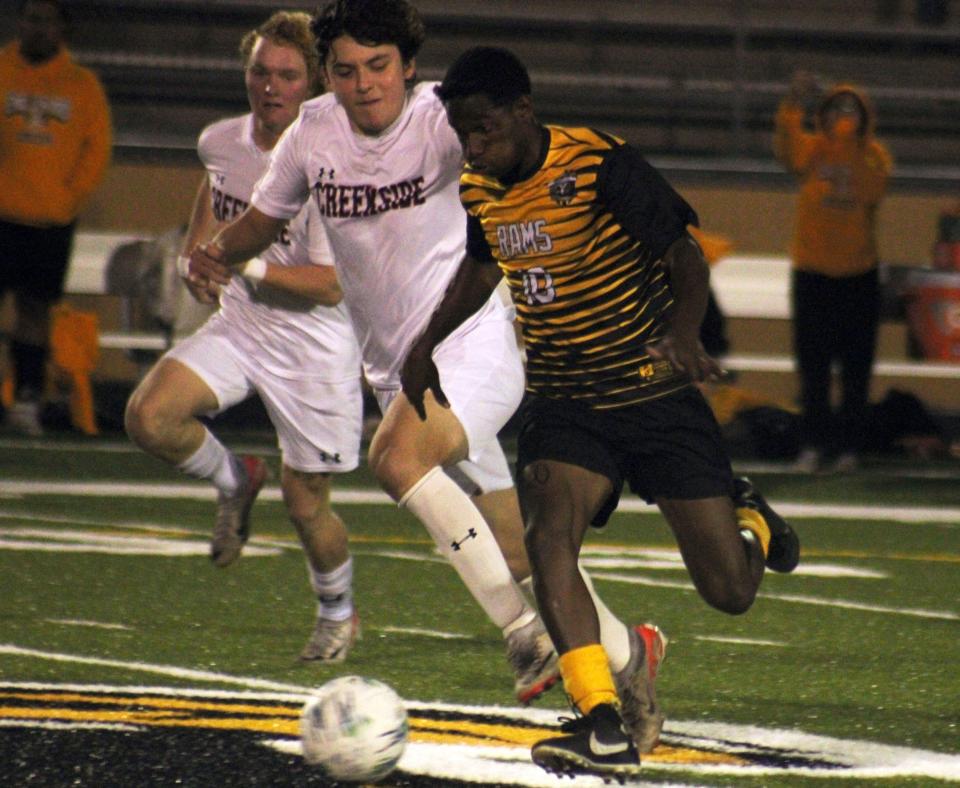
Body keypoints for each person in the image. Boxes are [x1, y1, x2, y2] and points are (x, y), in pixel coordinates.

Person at [186, 0, 657, 709]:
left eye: (378, 67)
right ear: (328, 76)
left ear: (408, 68)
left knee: (395, 458)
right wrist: (217, 254)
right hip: (396, 372)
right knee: (520, 546)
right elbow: (262, 217)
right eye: (344, 71)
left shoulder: (444, 118)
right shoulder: (314, 133)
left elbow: (538, 167)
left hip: (471, 343)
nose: (363, 84)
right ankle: (629, 652)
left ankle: (524, 635)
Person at [400, 47, 801, 780]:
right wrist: (427, 342)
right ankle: (600, 720)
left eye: (485, 128)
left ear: (525, 111)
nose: (475, 145)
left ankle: (749, 519)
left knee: (731, 592)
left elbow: (684, 255)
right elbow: (485, 265)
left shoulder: (598, 164)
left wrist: (684, 331)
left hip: (653, 392)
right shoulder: (478, 185)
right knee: (548, 537)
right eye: (464, 133)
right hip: (566, 398)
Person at [125, 11, 366, 662]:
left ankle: (338, 611)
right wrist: (197, 263)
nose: (270, 85)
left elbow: (333, 284)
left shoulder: (333, 160)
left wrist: (243, 262)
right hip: (244, 322)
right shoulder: (222, 140)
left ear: (312, 84)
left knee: (306, 505)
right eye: (260, 71)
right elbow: (216, 200)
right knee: (149, 415)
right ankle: (234, 478)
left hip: (315, 343)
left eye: (288, 75)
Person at [0, 0, 111, 436]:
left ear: (63, 27)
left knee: (34, 312)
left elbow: (95, 150)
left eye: (46, 20)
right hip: (1, 215)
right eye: (30, 18)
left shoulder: (81, 84)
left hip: (49, 221)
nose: (37, 27)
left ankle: (27, 398)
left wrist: (66, 201)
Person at [774, 70, 893, 474]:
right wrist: (794, 105)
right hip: (812, 273)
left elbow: (872, 186)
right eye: (836, 108)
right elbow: (788, 152)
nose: (844, 115)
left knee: (856, 369)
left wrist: (846, 141)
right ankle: (813, 443)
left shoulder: (874, 154)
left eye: (851, 109)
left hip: (858, 275)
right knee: (813, 367)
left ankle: (849, 448)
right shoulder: (813, 150)